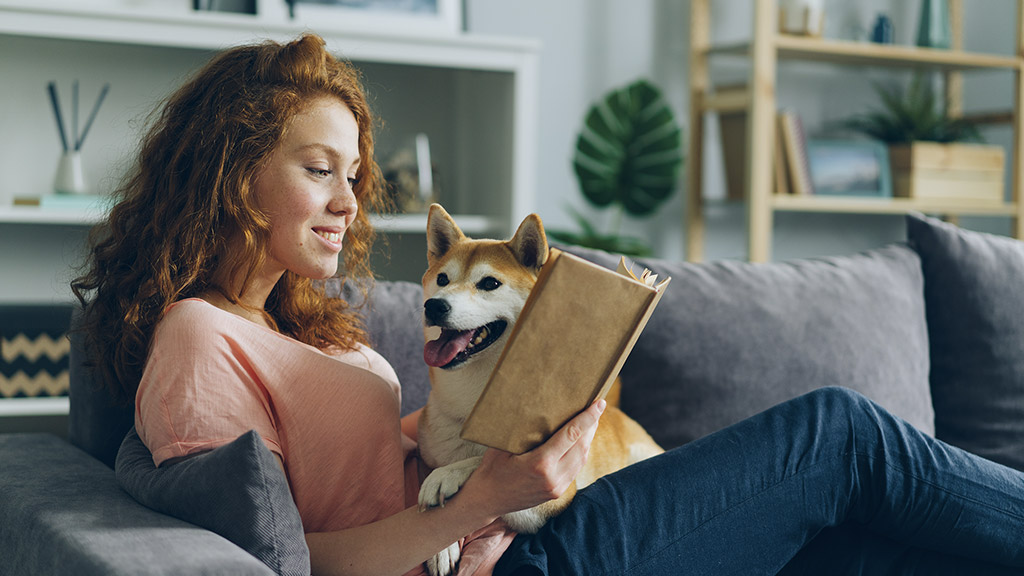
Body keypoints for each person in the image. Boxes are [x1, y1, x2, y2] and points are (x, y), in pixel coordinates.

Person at [71, 34, 1024, 576]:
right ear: (233, 174)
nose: (350, 202)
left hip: (511, 529)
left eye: (354, 176)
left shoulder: (287, 325)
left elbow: (356, 468)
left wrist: (504, 418)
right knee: (841, 436)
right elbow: (285, 564)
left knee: (862, 549)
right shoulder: (200, 341)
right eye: (319, 171)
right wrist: (486, 499)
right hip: (521, 563)